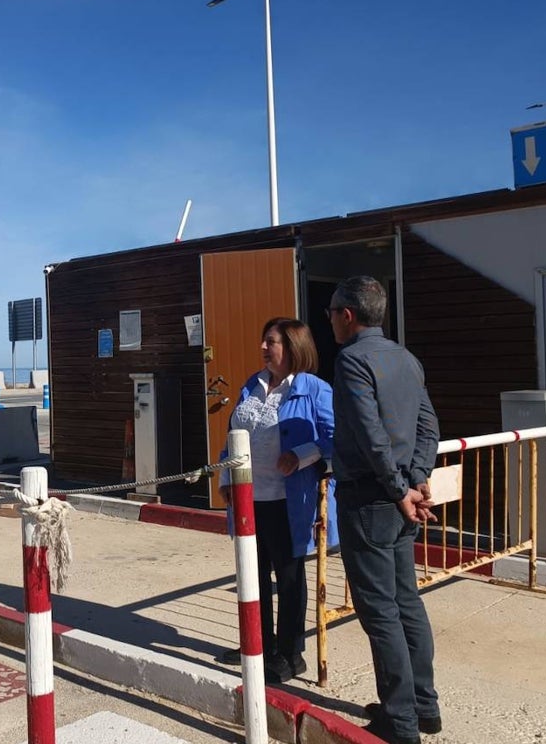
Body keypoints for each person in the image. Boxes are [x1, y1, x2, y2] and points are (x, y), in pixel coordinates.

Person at [327, 276, 442, 744]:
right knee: (407, 602)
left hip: (371, 498)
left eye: (332, 311)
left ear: (348, 315)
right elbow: (427, 425)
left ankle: (400, 720)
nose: (329, 320)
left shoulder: (352, 360)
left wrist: (400, 488)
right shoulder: (405, 358)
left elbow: (371, 435)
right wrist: (415, 479)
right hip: (398, 498)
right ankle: (424, 707)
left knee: (382, 612)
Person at [217, 317, 338, 683]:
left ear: (293, 346)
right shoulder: (250, 385)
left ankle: (290, 653)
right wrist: (225, 477)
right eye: (263, 341)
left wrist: (301, 455)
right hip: (249, 496)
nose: (263, 348)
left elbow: (338, 438)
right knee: (251, 574)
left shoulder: (313, 389)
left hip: (289, 499)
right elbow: (234, 436)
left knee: (288, 577)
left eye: (271, 342)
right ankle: (258, 644)